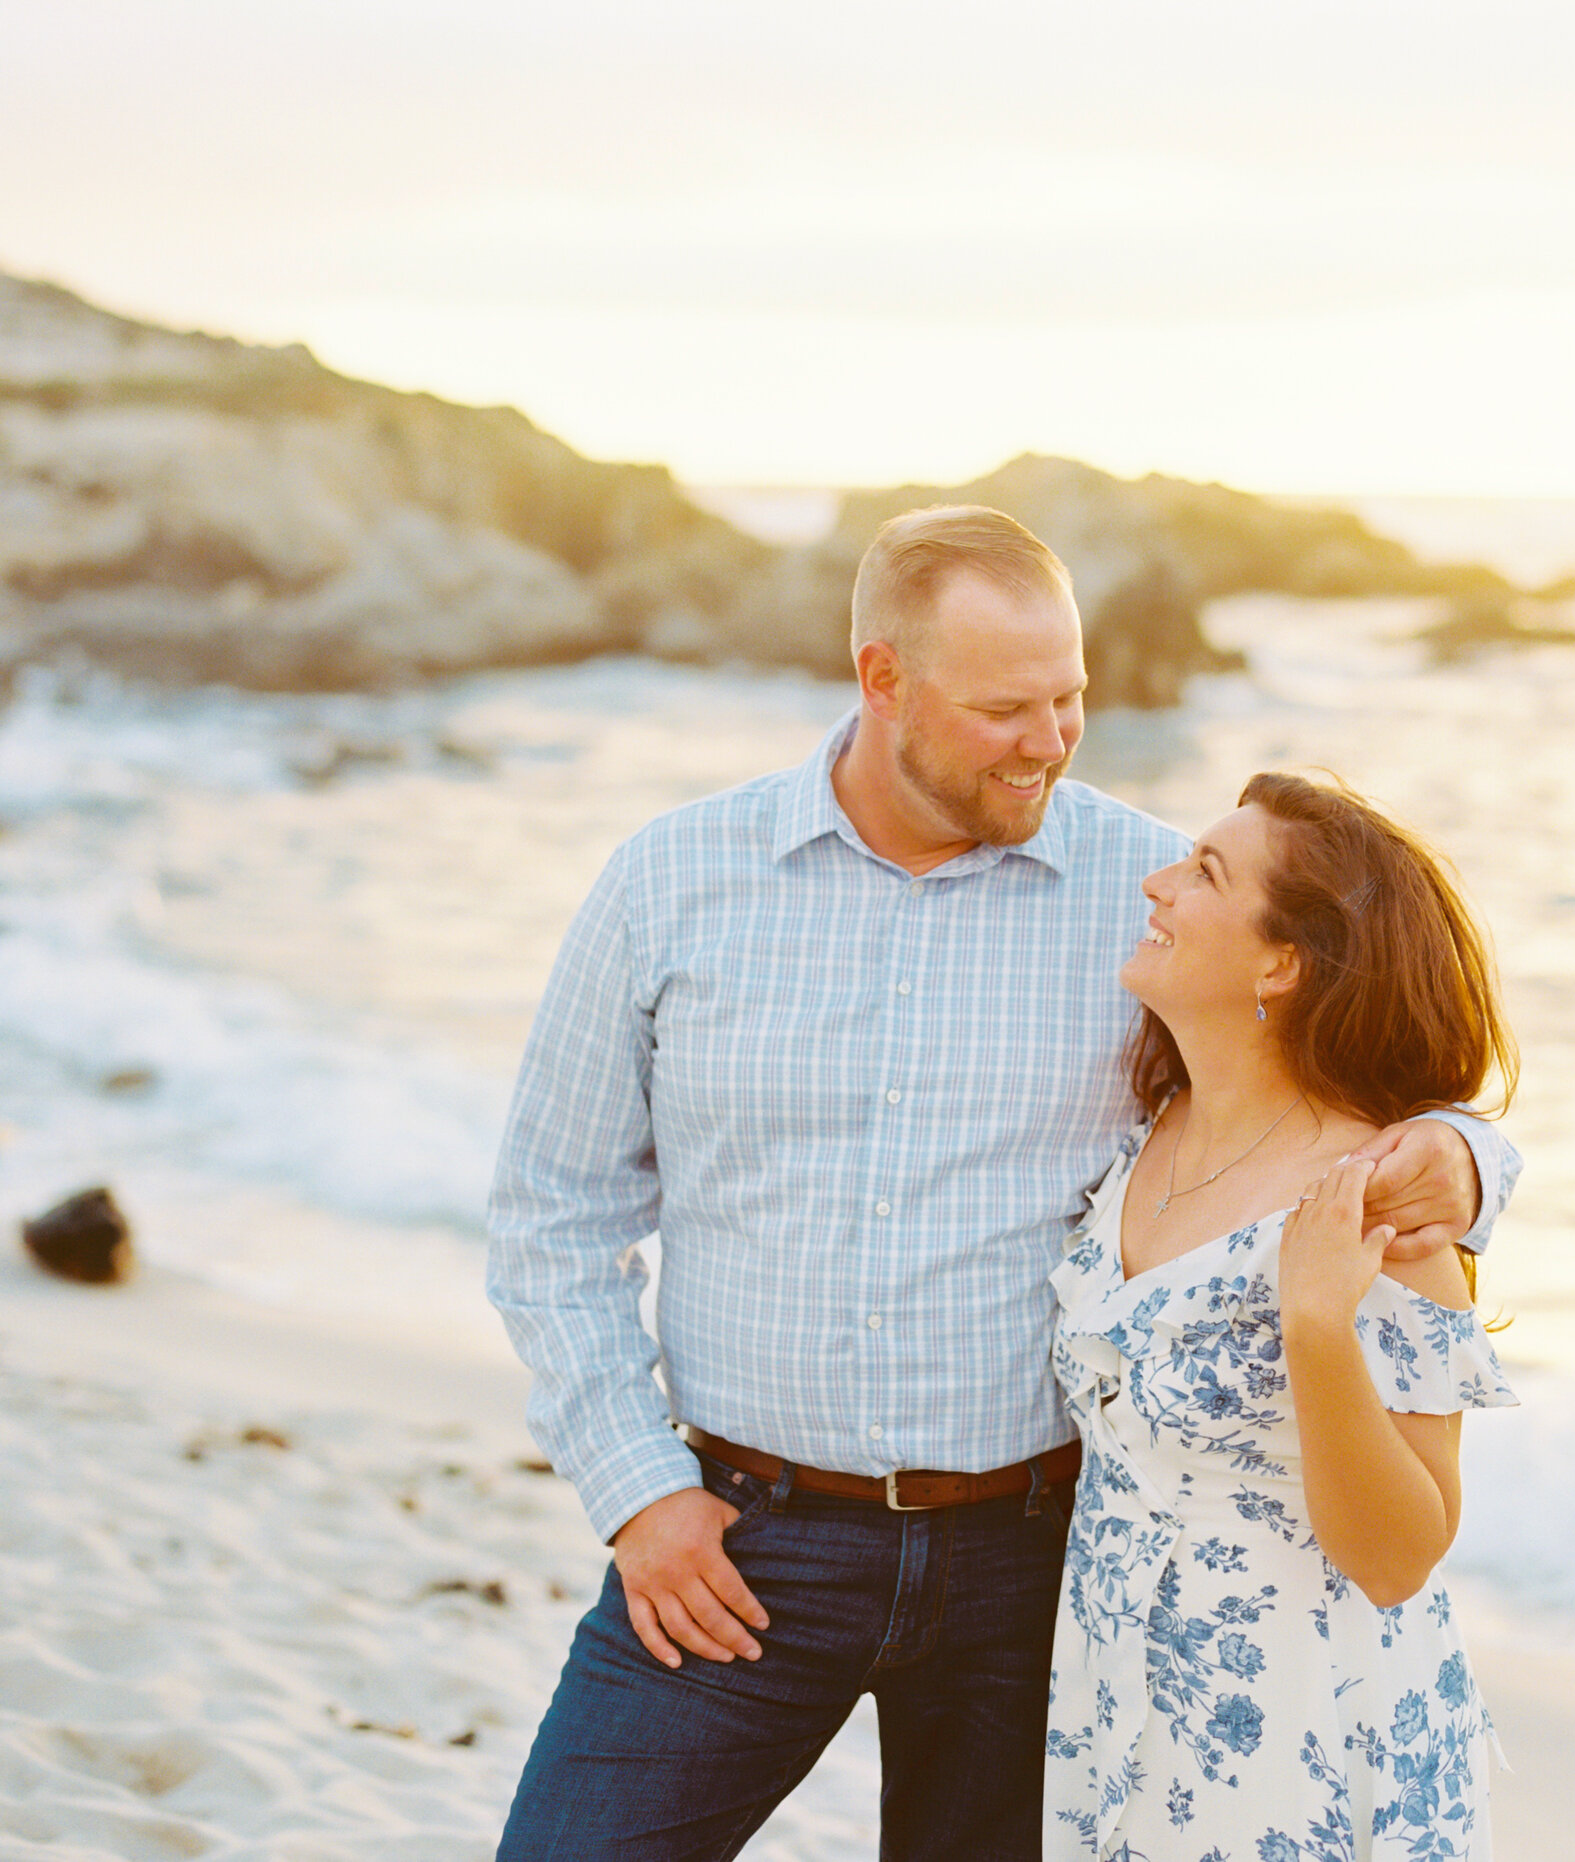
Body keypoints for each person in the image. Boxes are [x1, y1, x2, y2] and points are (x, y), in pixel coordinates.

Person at [486, 505, 1519, 1861]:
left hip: (1038, 1568)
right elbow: (551, 1217)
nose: (1049, 738)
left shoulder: (1145, 894)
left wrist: (1466, 1156)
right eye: (1005, 707)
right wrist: (636, 1488)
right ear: (882, 680)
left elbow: (1342, 1047)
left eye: (1070, 696)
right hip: (740, 1539)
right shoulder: (671, 881)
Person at [1043, 772, 1517, 1861]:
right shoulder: (1148, 1135)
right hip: (1123, 1725)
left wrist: (1316, 1328)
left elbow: (1401, 1553)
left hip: (1306, 1745)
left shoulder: (1378, 1206)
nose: (1156, 883)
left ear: (1283, 961)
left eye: (1203, 871)